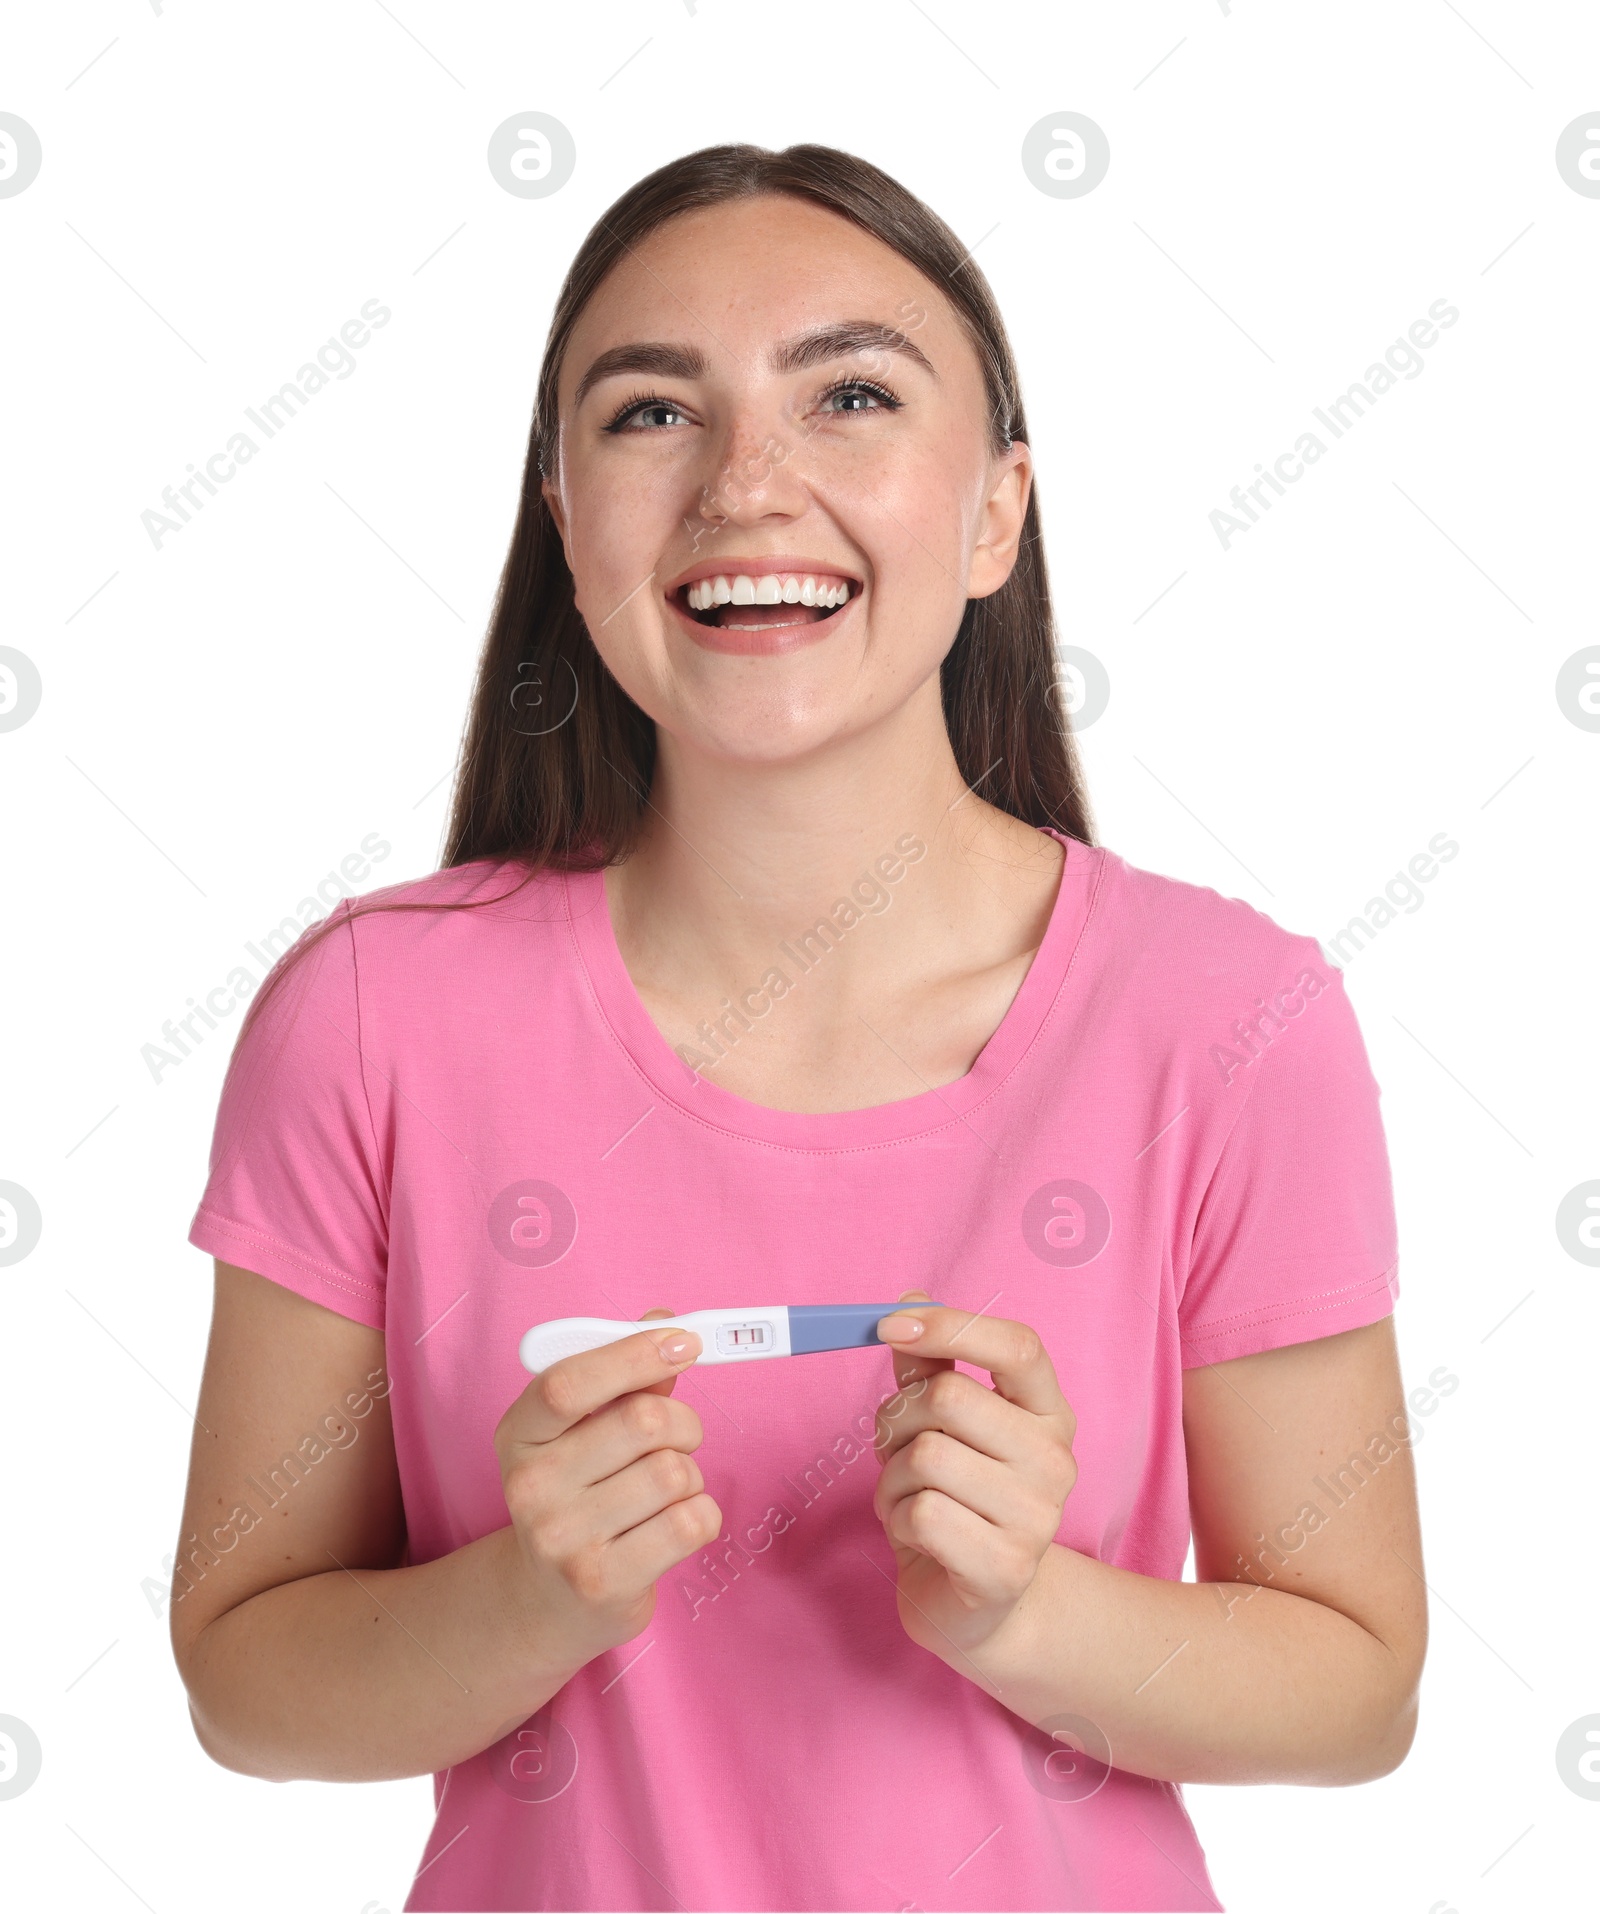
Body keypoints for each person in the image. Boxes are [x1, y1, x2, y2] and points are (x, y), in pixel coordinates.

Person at [170, 143, 1425, 1913]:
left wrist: (1027, 1609)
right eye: (649, 415)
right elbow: (243, 1678)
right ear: (560, 517)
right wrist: (520, 1601)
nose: (747, 485)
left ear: (997, 510)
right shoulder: (371, 1020)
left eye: (849, 394)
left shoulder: (1231, 1023)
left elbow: (1358, 1687)